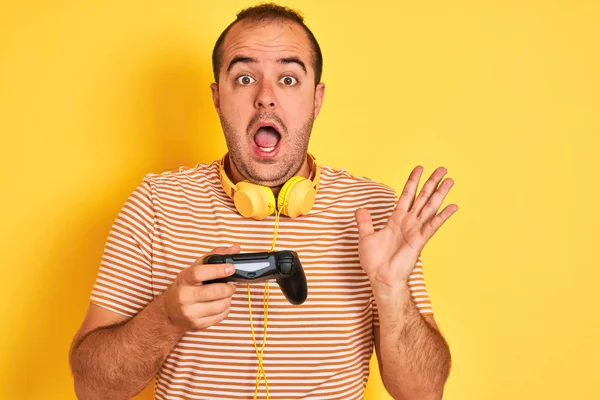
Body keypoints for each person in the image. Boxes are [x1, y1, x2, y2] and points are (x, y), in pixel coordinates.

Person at [69, 3, 456, 400]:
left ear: (317, 100)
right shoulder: (156, 204)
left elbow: (423, 393)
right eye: (245, 78)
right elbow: (92, 389)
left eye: (288, 79)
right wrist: (165, 318)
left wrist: (392, 291)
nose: (266, 98)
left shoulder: (373, 210)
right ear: (218, 98)